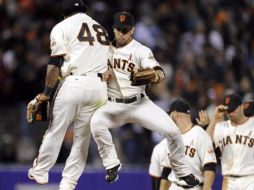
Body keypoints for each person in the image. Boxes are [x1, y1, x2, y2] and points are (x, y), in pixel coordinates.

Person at [90, 11, 199, 186]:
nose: (121, 33)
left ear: (132, 30)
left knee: (172, 132)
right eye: (118, 29)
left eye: (125, 30)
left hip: (140, 104)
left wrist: (152, 76)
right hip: (113, 105)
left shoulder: (141, 50)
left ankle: (182, 171)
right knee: (96, 123)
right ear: (113, 29)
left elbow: (159, 73)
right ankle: (112, 164)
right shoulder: (104, 51)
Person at [28, 1, 109, 189]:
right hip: (99, 88)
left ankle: (40, 171)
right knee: (83, 138)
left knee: (56, 129)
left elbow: (54, 64)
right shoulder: (101, 28)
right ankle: (69, 183)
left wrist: (46, 94)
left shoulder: (62, 26)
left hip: (75, 82)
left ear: (64, 13)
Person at [158, 99, 217, 190]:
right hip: (174, 186)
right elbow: (166, 170)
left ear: (175, 113)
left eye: (170, 114)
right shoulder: (172, 137)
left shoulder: (200, 134)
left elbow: (210, 166)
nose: (169, 117)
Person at [206, 93, 254, 190]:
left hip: (250, 179)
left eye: (233, 110)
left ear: (241, 107)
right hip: (229, 181)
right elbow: (205, 144)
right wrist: (214, 120)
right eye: (228, 111)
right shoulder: (221, 127)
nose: (230, 114)